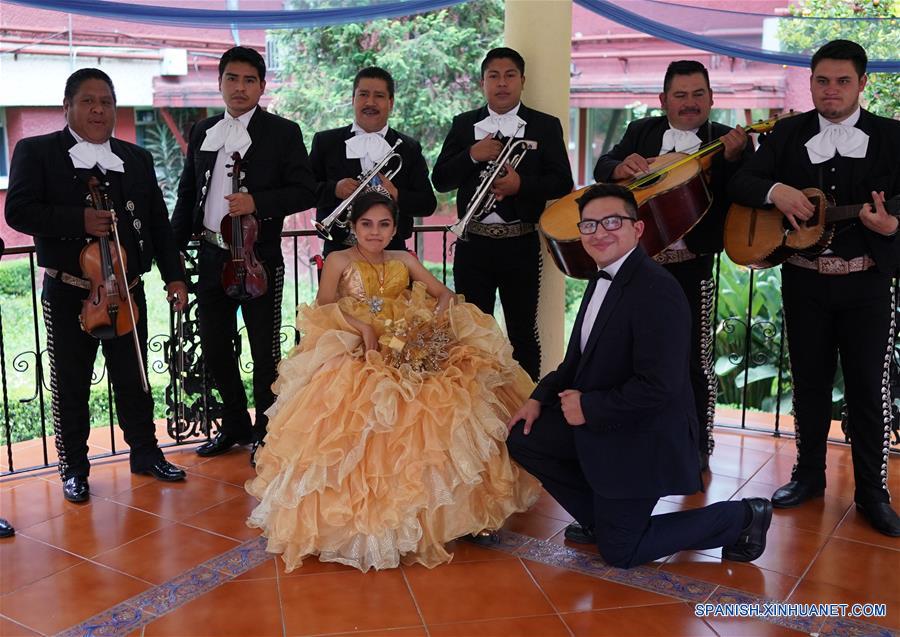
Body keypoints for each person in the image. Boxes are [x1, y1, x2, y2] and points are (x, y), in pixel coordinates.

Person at [246, 190, 541, 572]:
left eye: (384, 224)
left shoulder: (404, 258)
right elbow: (325, 305)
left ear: (394, 227)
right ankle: (367, 518)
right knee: (355, 411)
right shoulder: (338, 259)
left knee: (449, 402)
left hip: (406, 339)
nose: (375, 232)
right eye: (367, 224)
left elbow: (444, 294)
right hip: (356, 342)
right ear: (353, 226)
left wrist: (428, 324)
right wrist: (363, 327)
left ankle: (458, 515)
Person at [506, 184, 772, 568]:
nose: (599, 232)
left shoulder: (657, 290)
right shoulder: (601, 279)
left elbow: (660, 387)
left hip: (643, 435)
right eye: (589, 225)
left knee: (621, 552)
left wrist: (589, 407)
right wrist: (538, 398)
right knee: (524, 438)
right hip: (605, 421)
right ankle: (601, 519)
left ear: (638, 228)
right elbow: (575, 362)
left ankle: (743, 516)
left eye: (612, 222)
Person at [729, 40, 900, 537]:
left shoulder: (893, 136)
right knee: (808, 384)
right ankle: (808, 476)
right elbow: (741, 183)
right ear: (810, 83)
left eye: (843, 81)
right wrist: (775, 190)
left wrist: (892, 227)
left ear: (862, 83)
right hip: (804, 280)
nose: (831, 90)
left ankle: (873, 493)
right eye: (822, 81)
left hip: (867, 283)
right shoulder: (787, 133)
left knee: (869, 391)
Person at [5, 68, 189, 503]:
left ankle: (145, 453)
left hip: (127, 287)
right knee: (71, 383)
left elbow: (158, 223)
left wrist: (175, 275)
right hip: (71, 290)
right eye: (87, 101)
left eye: (106, 101)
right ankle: (74, 468)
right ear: (67, 106)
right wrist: (79, 220)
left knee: (134, 377)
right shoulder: (36, 151)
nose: (98, 110)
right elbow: (18, 211)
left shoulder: (136, 157)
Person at [593, 60, 751, 471]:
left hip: (690, 266)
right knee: (626, 355)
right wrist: (618, 167)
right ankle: (630, 440)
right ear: (663, 100)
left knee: (693, 360)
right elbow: (603, 166)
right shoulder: (641, 130)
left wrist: (734, 159)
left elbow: (742, 193)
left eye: (698, 94)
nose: (689, 103)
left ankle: (697, 445)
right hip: (638, 267)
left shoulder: (728, 140)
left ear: (711, 99)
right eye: (680, 95)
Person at [171, 46, 317, 464]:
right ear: (219, 83)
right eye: (232, 79)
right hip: (211, 256)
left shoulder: (283, 132)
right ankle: (234, 424)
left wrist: (257, 202)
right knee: (215, 349)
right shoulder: (204, 130)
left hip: (258, 259)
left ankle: (267, 436)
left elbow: (305, 190)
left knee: (264, 354)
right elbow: (187, 193)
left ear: (262, 86)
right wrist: (172, 255)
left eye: (249, 80)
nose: (239, 87)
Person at [432, 47, 573, 381]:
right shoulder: (464, 125)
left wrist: (521, 185)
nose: (502, 83)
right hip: (473, 243)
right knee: (470, 331)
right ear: (483, 83)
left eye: (510, 75)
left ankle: (527, 402)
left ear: (522, 81)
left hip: (520, 243)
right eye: (493, 76)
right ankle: (476, 400)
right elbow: (440, 179)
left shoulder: (544, 125)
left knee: (523, 332)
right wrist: (472, 154)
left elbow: (562, 182)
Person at [309, 66, 437, 257]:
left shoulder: (408, 148)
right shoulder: (326, 142)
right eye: (363, 95)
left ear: (391, 102)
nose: (370, 102)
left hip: (393, 252)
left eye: (379, 96)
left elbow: (427, 204)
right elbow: (304, 192)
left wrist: (396, 194)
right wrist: (334, 189)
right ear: (353, 99)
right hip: (339, 251)